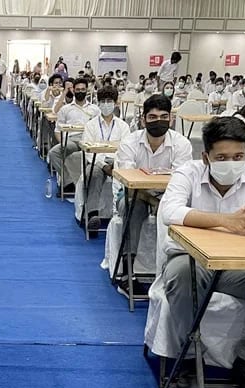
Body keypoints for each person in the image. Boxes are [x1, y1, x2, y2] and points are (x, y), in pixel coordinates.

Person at [157, 116, 245, 388]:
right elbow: (170, 211)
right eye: (221, 157)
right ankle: (188, 355)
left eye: (238, 156)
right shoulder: (188, 173)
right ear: (206, 157)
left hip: (237, 266)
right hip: (192, 260)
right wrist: (226, 221)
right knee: (182, 277)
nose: (231, 164)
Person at [115, 94, 192, 296]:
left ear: (171, 119)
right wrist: (151, 200)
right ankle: (128, 270)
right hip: (136, 195)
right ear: (143, 119)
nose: (158, 121)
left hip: (170, 196)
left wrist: (163, 201)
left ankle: (173, 271)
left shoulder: (182, 144)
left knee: (183, 213)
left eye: (163, 116)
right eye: (152, 117)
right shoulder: (130, 142)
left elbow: (182, 183)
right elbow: (128, 182)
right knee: (130, 207)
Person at [77, 86, 131, 231]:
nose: (106, 104)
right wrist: (103, 165)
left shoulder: (123, 126)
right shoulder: (91, 125)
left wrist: (115, 164)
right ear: (98, 103)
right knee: (93, 174)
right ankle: (93, 214)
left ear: (115, 103)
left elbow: (126, 149)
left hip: (117, 161)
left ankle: (123, 216)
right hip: (97, 161)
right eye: (103, 101)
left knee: (127, 176)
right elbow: (88, 150)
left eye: (109, 101)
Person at [48, 78, 100, 193]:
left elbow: (99, 129)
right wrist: (63, 142)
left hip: (89, 140)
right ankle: (70, 181)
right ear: (73, 90)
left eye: (83, 89)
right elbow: (58, 129)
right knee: (54, 153)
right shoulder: (66, 109)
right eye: (78, 89)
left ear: (87, 91)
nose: (80, 91)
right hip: (71, 140)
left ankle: (79, 183)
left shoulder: (95, 109)